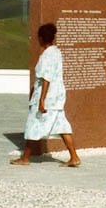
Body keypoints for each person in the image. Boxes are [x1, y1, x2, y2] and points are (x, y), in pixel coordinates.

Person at [10, 22, 81, 167]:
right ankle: (74, 157)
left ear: (41, 38)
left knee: (32, 125)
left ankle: (25, 158)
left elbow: (46, 78)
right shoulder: (57, 52)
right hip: (57, 97)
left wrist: (41, 100)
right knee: (62, 126)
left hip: (48, 98)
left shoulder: (47, 55)